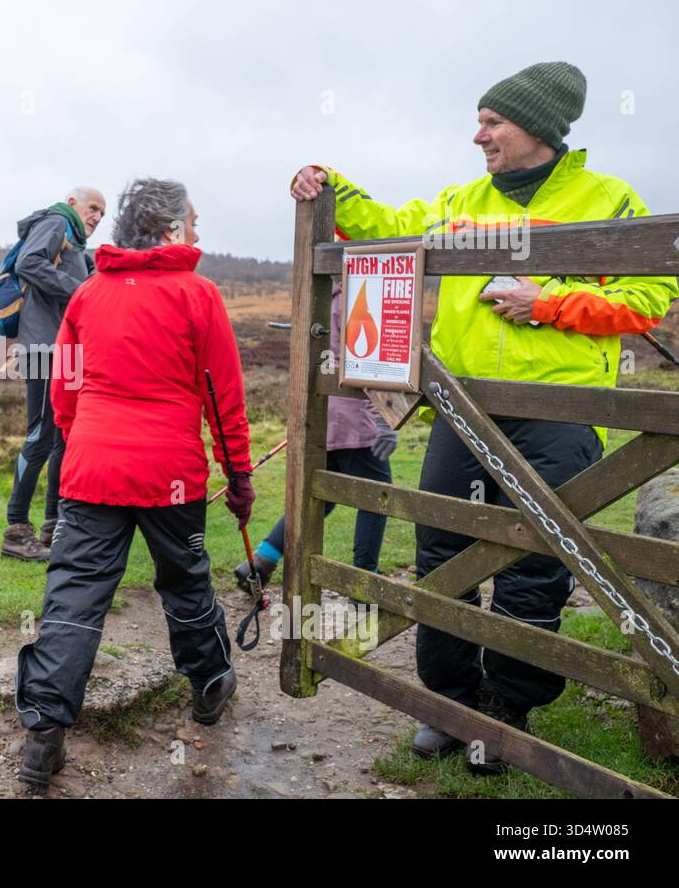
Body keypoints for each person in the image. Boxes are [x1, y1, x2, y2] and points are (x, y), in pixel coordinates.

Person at [291, 61, 679, 774]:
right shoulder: (460, 199)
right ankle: (451, 701)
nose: (479, 136)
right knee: (441, 548)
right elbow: (381, 227)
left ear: (538, 126)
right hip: (462, 409)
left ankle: (508, 707)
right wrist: (327, 182)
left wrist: (550, 303)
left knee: (536, 560)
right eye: (481, 121)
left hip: (562, 411)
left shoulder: (609, 199)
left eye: (493, 122)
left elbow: (650, 293)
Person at [14, 178, 255, 788]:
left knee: (74, 592)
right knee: (184, 579)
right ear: (172, 228)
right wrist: (240, 479)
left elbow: (64, 391)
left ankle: (44, 730)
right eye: (193, 221)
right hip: (170, 474)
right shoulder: (199, 296)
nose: (197, 233)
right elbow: (223, 399)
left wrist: (86, 436)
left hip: (92, 467)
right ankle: (210, 684)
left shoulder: (89, 294)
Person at [247, 284, 397, 598]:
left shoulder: (316, 295)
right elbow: (365, 358)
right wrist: (383, 419)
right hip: (356, 419)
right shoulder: (356, 296)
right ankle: (364, 581)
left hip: (323, 417)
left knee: (320, 498)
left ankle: (262, 560)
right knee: (378, 497)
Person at [1, 187, 106, 561]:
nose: (97, 216)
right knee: (41, 435)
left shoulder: (75, 243)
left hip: (63, 348)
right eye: (93, 208)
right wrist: (81, 291)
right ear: (75, 202)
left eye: (102, 214)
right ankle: (16, 531)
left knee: (64, 437)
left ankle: (53, 528)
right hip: (44, 348)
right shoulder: (58, 221)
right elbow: (29, 262)